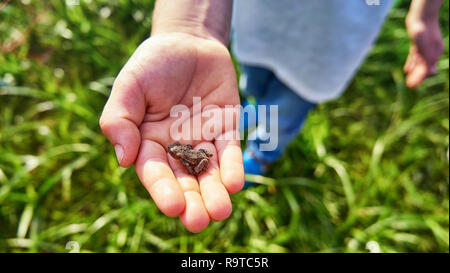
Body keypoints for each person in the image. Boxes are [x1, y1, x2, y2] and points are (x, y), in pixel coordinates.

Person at [99, 0, 444, 232]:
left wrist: (424, 13)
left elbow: (196, 158)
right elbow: (194, 156)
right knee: (252, 86)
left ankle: (262, 156)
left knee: (283, 113)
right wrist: (188, 26)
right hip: (256, 28)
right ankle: (251, 109)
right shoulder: (188, 150)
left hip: (330, 47)